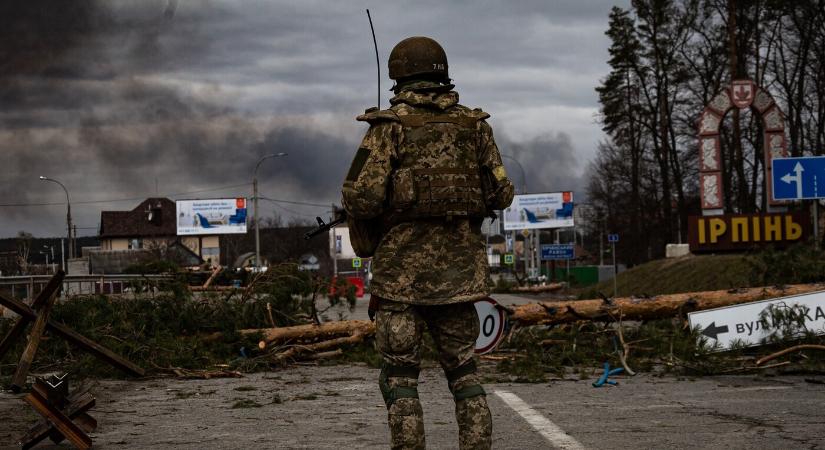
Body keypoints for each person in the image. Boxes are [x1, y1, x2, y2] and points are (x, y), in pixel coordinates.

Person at [341, 36, 514, 450]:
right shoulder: (476, 127)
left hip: (401, 279)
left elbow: (359, 196)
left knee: (400, 378)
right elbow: (502, 194)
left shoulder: (389, 128)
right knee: (465, 373)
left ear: (398, 74)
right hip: (460, 277)